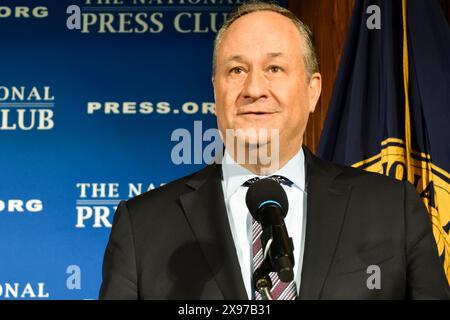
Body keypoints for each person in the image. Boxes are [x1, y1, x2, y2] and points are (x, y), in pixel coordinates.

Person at [99, 1, 449, 299]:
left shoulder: (393, 209)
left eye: (274, 68)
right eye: (236, 70)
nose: (254, 88)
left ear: (312, 91)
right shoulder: (141, 227)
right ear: (215, 92)